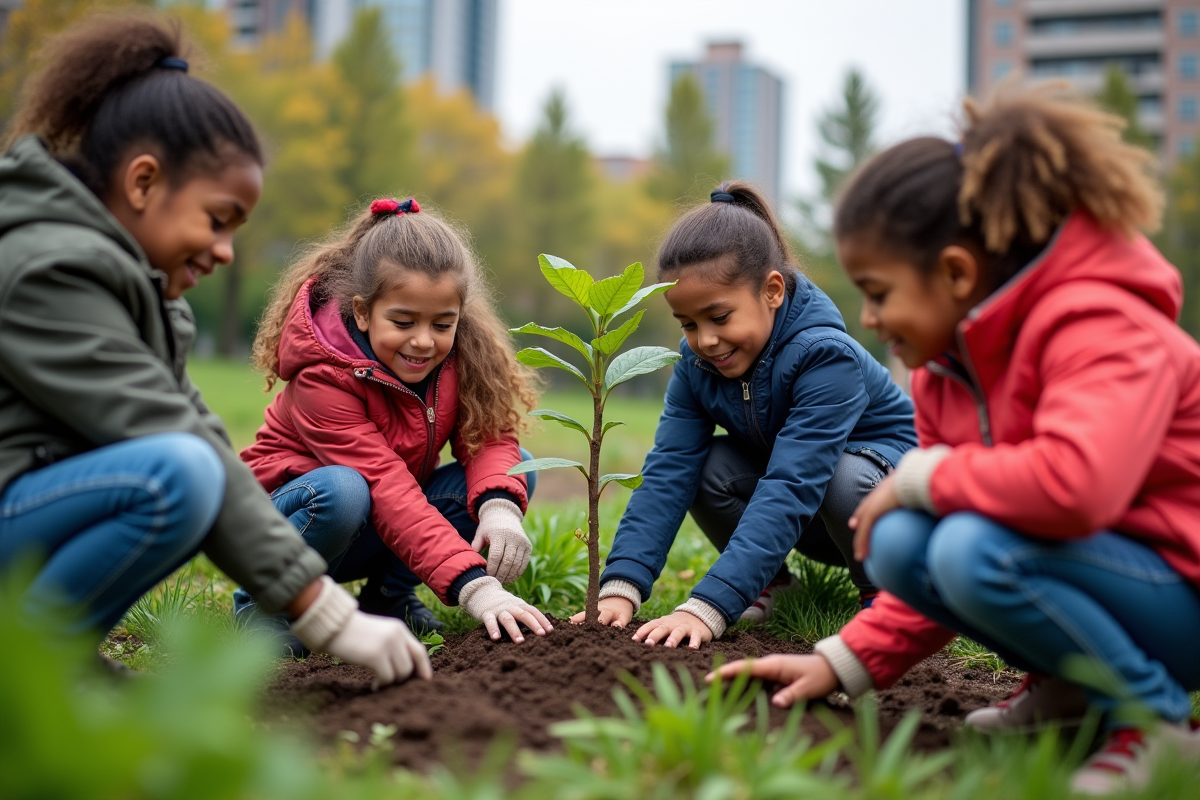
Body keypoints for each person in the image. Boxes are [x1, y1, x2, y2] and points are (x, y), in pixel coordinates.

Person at [712, 84, 1200, 796]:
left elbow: (1077, 486)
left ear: (955, 273)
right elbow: (933, 555)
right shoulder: (946, 371)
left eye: (879, 292)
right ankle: (1071, 697)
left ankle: (1157, 727)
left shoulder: (1101, 325)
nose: (870, 318)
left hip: (1180, 591)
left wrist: (924, 478)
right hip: (1113, 592)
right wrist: (843, 662)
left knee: (967, 544)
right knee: (907, 542)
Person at [0, 12, 430, 685]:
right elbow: (171, 435)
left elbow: (194, 425)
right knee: (175, 477)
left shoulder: (119, 279)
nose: (227, 251)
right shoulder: (45, 269)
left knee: (193, 471)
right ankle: (26, 673)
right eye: (217, 219)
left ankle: (55, 662)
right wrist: (325, 612)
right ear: (143, 182)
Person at [571, 181, 917, 648]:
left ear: (772, 291)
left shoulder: (826, 357)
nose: (705, 340)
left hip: (880, 507)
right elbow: (669, 470)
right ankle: (771, 582)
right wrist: (622, 586)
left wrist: (712, 603)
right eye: (688, 324)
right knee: (703, 465)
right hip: (810, 514)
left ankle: (887, 596)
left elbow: (793, 482)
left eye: (719, 317)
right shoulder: (697, 365)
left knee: (843, 475)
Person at [238, 195, 553, 647]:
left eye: (442, 324)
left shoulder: (461, 360)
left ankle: (388, 596)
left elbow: (488, 440)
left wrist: (500, 508)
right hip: (293, 529)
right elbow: (385, 486)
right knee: (344, 490)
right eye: (403, 321)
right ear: (363, 312)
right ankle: (263, 603)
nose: (423, 342)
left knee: (513, 467)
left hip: (373, 525)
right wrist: (476, 586)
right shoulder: (324, 379)